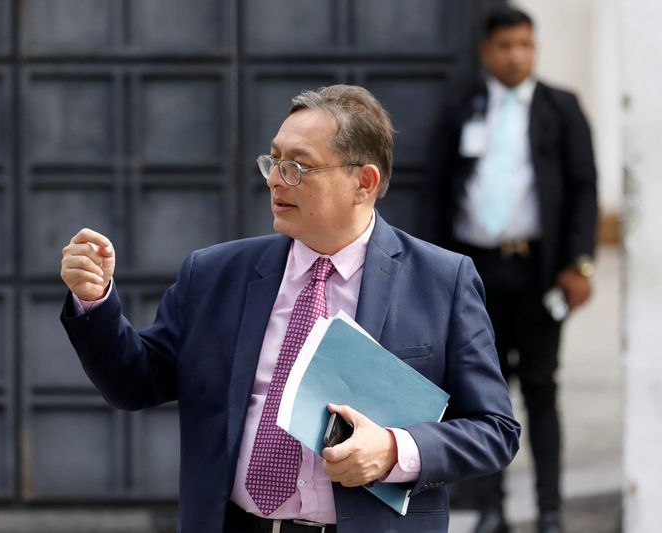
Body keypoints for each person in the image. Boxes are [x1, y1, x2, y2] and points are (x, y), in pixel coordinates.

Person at [60, 84, 520, 532]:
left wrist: (394, 449)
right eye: (275, 160)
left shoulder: (441, 280)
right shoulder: (214, 274)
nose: (277, 179)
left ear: (363, 182)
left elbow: (495, 429)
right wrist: (95, 299)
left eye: (300, 167)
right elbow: (135, 384)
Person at [423, 7, 598, 533]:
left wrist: (580, 262)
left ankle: (549, 510)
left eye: (525, 44)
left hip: (540, 273)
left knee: (542, 388)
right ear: (486, 51)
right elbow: (434, 191)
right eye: (505, 45)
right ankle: (491, 508)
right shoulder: (461, 109)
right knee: (480, 395)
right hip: (475, 277)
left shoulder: (560, 108)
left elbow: (584, 188)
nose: (516, 55)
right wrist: (431, 272)